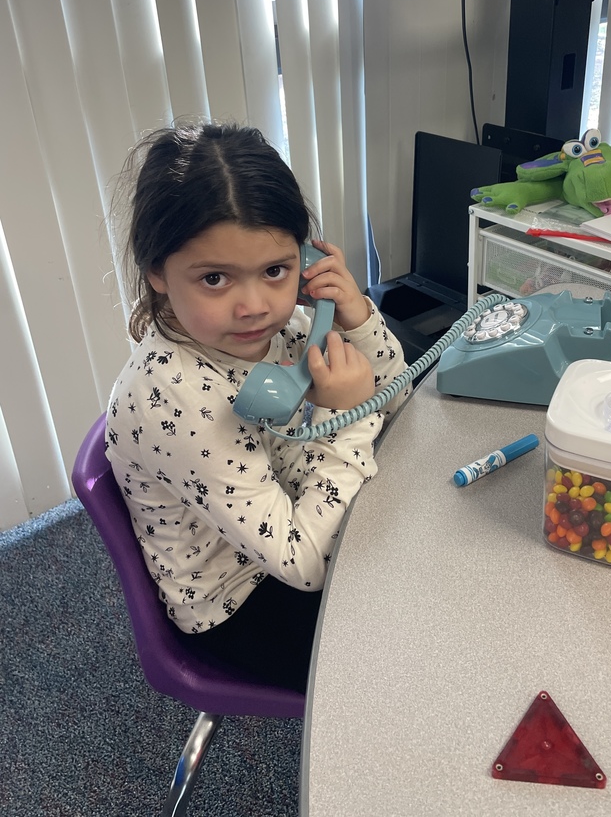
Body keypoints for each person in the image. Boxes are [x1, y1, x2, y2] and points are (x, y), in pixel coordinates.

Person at [106, 120, 409, 691]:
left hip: (299, 511)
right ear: (157, 272)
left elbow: (399, 400)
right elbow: (303, 567)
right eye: (215, 278)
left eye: (276, 270)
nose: (254, 306)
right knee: (411, 650)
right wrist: (348, 417)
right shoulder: (174, 400)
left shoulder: (290, 326)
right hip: (245, 602)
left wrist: (358, 320)